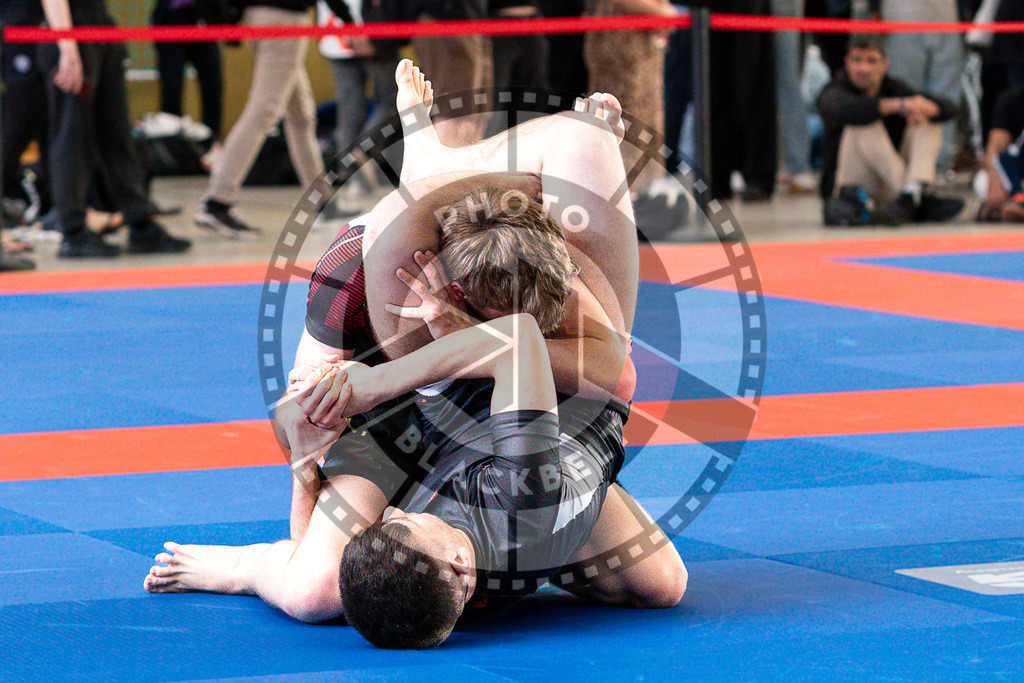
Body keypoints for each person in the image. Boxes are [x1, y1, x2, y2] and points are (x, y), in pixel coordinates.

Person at [144, 61, 684, 646]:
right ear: (458, 565)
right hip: (509, 415)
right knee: (661, 584)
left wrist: (304, 474)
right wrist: (413, 367)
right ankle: (450, 167)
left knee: (310, 587)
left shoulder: (418, 571)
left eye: (389, 521)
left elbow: (314, 532)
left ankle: (439, 162)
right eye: (400, 523)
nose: (394, 515)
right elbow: (540, 344)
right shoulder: (517, 500)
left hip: (430, 410)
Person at [38, 0, 192, 258]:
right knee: (71, 138)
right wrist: (66, 44)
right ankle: (73, 232)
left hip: (101, 26)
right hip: (71, 32)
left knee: (117, 136)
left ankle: (141, 224)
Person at [193, 0, 355, 239]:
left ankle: (321, 202)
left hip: (261, 16)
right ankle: (217, 202)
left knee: (301, 116)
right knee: (263, 111)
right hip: (284, 19)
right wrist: (348, 20)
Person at [818, 34, 964, 227]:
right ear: (847, 62)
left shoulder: (895, 87)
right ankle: (913, 196)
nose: (863, 68)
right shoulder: (834, 90)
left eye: (871, 61)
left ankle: (911, 194)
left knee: (926, 120)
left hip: (888, 185)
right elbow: (850, 110)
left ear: (884, 64)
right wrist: (898, 105)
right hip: (850, 187)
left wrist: (929, 108)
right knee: (864, 123)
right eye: (857, 60)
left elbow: (949, 107)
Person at [151, 0, 227, 171]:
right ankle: (171, 150)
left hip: (203, 17)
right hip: (172, 17)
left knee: (213, 85)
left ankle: (211, 145)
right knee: (171, 87)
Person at [977, 83, 1024, 223]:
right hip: (1018, 176)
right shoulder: (1013, 99)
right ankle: (1014, 204)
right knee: (982, 182)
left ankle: (997, 212)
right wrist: (995, 178)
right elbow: (997, 147)